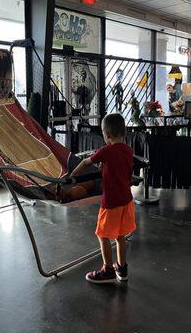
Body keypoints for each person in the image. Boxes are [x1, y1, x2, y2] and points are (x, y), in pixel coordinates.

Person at [70, 113, 135, 283]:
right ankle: (122, 268)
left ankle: (107, 270)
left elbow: (86, 162)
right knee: (120, 236)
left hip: (111, 202)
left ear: (106, 135)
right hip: (126, 200)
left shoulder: (106, 151)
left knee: (102, 234)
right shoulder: (128, 151)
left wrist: (72, 174)